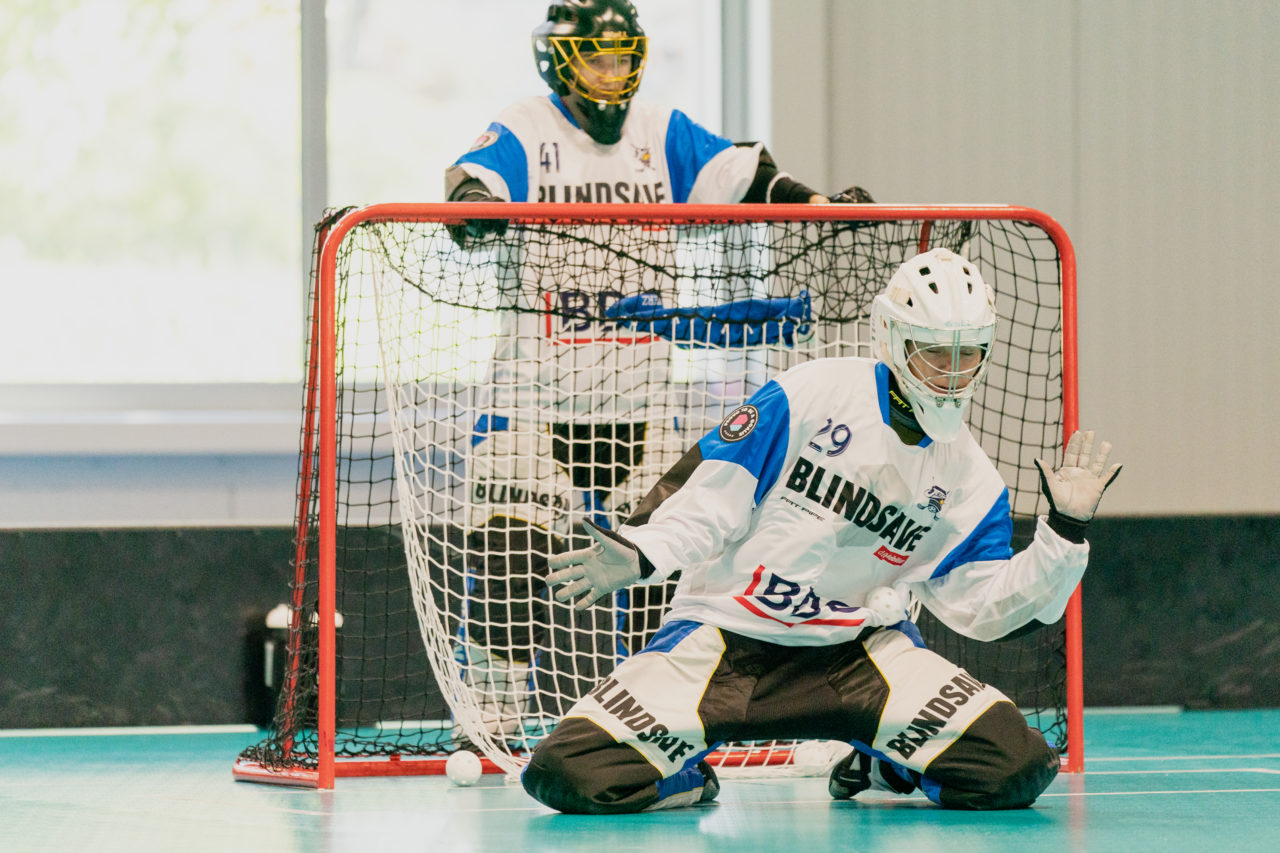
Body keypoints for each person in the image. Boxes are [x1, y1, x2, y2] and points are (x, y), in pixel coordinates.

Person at [521, 247, 1122, 812]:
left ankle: (885, 764)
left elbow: (983, 604)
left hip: (858, 658)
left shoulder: (972, 479)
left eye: (969, 353)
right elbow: (714, 492)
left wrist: (1065, 532)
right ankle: (684, 776)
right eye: (935, 351)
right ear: (891, 337)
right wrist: (643, 550)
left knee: (1016, 766)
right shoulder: (810, 392)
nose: (952, 373)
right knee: (564, 772)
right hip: (729, 642)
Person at [443, 0, 874, 743]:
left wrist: (819, 203)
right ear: (559, 59)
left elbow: (748, 176)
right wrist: (478, 207)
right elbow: (469, 179)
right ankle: (488, 712)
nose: (612, 74)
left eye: (622, 58)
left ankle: (648, 713)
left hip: (638, 397)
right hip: (533, 396)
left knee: (658, 565)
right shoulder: (525, 127)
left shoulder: (662, 134)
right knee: (511, 552)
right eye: (595, 59)